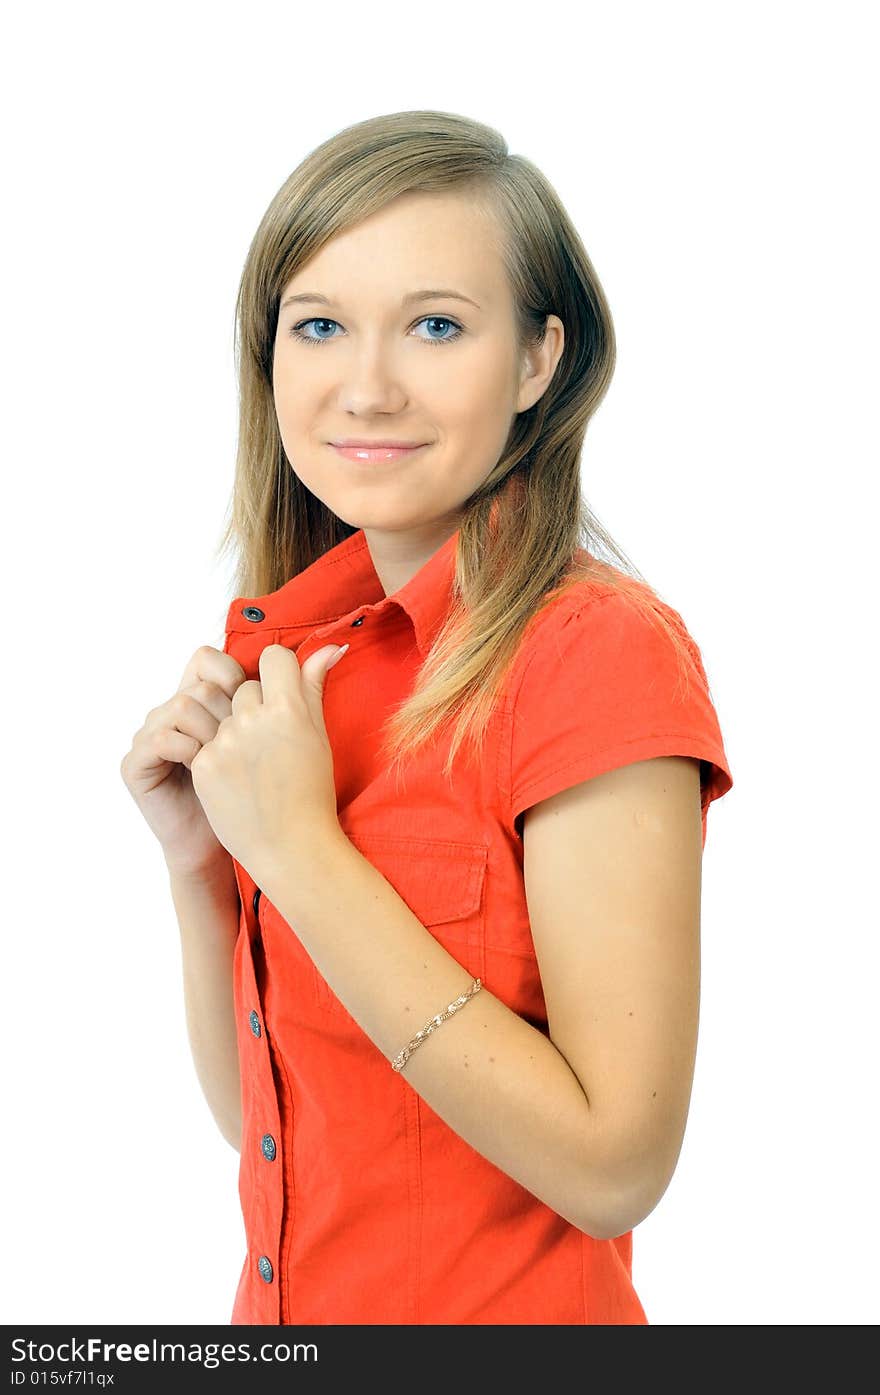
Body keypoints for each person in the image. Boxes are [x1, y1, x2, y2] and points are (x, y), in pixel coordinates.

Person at [120, 108, 734, 1326]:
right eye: (319, 326)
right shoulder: (309, 666)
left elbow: (615, 1170)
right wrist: (206, 864)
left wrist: (299, 852)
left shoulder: (592, 652)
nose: (366, 384)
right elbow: (274, 1129)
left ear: (537, 362)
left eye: (437, 325)